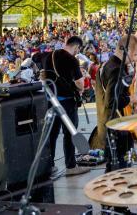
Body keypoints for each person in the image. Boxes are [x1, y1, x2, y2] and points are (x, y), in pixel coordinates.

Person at [33, 36, 89, 176]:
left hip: (51, 101)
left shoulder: (47, 55)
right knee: (70, 133)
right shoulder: (72, 60)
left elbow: (34, 58)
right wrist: (80, 86)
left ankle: (49, 166)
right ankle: (71, 167)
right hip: (68, 102)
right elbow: (80, 84)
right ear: (77, 47)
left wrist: (42, 71)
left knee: (52, 134)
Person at [90, 34, 137, 172]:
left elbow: (115, 96)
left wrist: (129, 99)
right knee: (120, 172)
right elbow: (111, 102)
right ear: (126, 50)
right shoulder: (116, 70)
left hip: (108, 126)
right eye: (136, 55)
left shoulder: (107, 66)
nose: (136, 59)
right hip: (116, 131)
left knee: (115, 174)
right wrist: (132, 99)